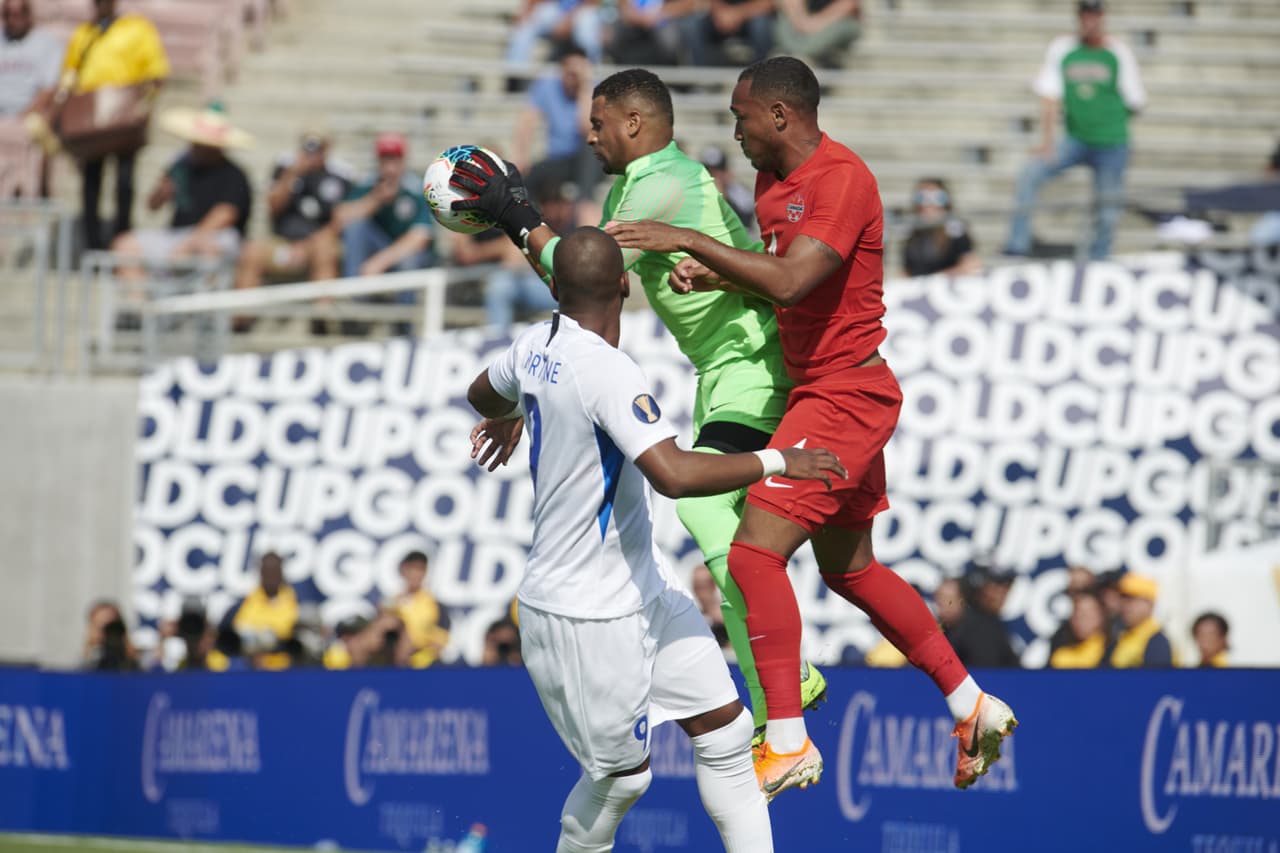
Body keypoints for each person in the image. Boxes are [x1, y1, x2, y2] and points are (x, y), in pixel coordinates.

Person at [604, 56, 1017, 798]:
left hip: (845, 392)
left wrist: (688, 240)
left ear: (780, 115)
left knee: (753, 555)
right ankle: (971, 704)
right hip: (822, 389)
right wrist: (721, 272)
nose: (735, 133)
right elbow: (785, 271)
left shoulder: (841, 179)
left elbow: (796, 282)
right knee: (849, 570)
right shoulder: (773, 182)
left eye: (741, 118)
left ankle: (788, 740)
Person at [450, 67, 831, 749]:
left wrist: (517, 215)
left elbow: (579, 268)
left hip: (753, 363)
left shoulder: (663, 182)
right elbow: (580, 283)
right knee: (730, 525)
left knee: (703, 509)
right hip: (722, 372)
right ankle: (779, 683)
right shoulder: (635, 185)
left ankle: (783, 684)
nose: (589, 136)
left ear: (634, 123)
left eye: (598, 124)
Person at [467, 227, 844, 851]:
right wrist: (780, 461)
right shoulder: (608, 370)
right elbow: (673, 475)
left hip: (641, 586)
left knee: (727, 734)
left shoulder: (535, 342)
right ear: (624, 285)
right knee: (621, 781)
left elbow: (481, 391)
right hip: (582, 612)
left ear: (556, 291)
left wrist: (509, 410)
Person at [1003, 0, 1146, 261]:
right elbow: (1049, 97)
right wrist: (1047, 142)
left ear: (1102, 17)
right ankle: (1017, 246)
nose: (1089, 21)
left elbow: (1135, 100)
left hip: (1111, 142)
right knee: (1030, 174)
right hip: (1075, 139)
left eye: (1094, 15)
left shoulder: (1117, 52)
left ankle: (1099, 258)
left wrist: (1108, 122)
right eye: (1084, 15)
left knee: (1107, 208)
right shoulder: (1063, 49)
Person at [57, 0, 169, 249]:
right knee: (91, 181)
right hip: (91, 121)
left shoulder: (138, 29)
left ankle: (121, 238)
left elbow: (155, 72)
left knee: (124, 180)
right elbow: (69, 73)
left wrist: (146, 105)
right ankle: (92, 243)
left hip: (123, 117)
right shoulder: (84, 33)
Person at [110, 104, 253, 265]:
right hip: (177, 234)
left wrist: (189, 242)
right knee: (125, 245)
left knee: (206, 249)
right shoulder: (180, 167)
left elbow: (225, 214)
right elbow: (152, 206)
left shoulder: (234, 175)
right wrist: (162, 191)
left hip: (215, 236)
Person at [234, 126, 352, 294]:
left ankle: (323, 308)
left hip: (317, 243)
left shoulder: (339, 176)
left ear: (327, 148)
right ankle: (243, 308)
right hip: (283, 242)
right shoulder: (284, 169)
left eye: (318, 147)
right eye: (308, 146)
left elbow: (338, 221)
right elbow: (273, 206)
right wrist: (292, 175)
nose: (312, 153)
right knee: (251, 252)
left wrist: (306, 246)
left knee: (325, 250)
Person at [336, 132, 433, 278]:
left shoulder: (417, 189)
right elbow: (340, 219)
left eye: (394, 160)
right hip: (377, 247)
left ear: (403, 160)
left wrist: (379, 262)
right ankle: (354, 288)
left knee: (409, 259)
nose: (389, 168)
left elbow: (420, 237)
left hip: (404, 255)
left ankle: (404, 295)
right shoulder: (368, 185)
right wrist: (374, 200)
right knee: (355, 227)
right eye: (385, 160)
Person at [512, 43, 598, 204]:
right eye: (569, 71)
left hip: (586, 159)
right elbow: (527, 120)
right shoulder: (548, 86)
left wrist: (584, 87)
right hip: (559, 159)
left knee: (590, 148)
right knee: (527, 179)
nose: (572, 76)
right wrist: (522, 156)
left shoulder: (593, 90)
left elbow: (586, 128)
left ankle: (584, 204)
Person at [945, 558, 1021, 669]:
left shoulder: (993, 622)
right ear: (980, 586)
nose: (1003, 592)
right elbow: (987, 673)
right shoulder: (978, 627)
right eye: (997, 584)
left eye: (1007, 585)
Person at [230, 552, 299, 671]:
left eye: (274, 572)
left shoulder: (295, 601)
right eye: (267, 572)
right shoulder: (245, 603)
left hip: (286, 669)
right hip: (251, 668)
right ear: (260, 573)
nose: (271, 577)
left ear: (281, 573)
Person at [901, 178, 979, 278]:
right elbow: (906, 271)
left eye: (937, 198)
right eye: (922, 197)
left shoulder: (956, 230)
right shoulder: (912, 232)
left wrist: (938, 278)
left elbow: (971, 264)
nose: (929, 204)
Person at [0, 0, 62, 118]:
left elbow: (48, 89)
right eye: (7, 14)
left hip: (28, 115)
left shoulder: (47, 44)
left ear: (28, 15)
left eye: (16, 15)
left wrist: (21, 119)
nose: (11, 20)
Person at [389, 550, 450, 668]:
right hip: (393, 662)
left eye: (421, 569)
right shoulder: (391, 603)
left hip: (423, 664)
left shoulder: (435, 605)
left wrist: (416, 661)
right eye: (412, 568)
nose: (416, 574)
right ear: (403, 570)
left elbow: (440, 643)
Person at [506, 0, 604, 66]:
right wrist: (525, 12)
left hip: (582, 11)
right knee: (525, 26)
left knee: (586, 30)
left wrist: (568, 20)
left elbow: (592, 3)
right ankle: (515, 73)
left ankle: (592, 71)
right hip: (555, 10)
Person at [1109, 573, 1175, 668]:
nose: (1125, 605)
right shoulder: (1120, 635)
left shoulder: (1156, 642)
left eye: (1132, 599)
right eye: (1122, 598)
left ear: (1150, 604)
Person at [684, 0, 775, 68]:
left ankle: (759, 75)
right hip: (719, 17)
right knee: (692, 25)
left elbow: (768, 3)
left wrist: (737, 14)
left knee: (761, 24)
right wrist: (720, 12)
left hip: (749, 17)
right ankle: (700, 77)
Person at [773, 0, 862, 70]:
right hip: (804, 28)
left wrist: (817, 22)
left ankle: (803, 60)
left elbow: (849, 4)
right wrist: (802, 21)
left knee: (838, 29)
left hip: (835, 22)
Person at [607, 0, 698, 66]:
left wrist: (660, 14)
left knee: (669, 37)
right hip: (635, 22)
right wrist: (638, 17)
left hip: (667, 20)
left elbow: (689, 3)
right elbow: (624, 7)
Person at [700, 145, 757, 233]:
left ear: (726, 172)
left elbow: (745, 220)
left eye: (717, 171)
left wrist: (723, 198)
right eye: (708, 171)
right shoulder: (697, 192)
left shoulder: (739, 192)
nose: (713, 176)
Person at [692, 563, 733, 655]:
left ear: (713, 586)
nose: (700, 592)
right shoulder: (694, 616)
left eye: (703, 586)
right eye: (696, 587)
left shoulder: (728, 613)